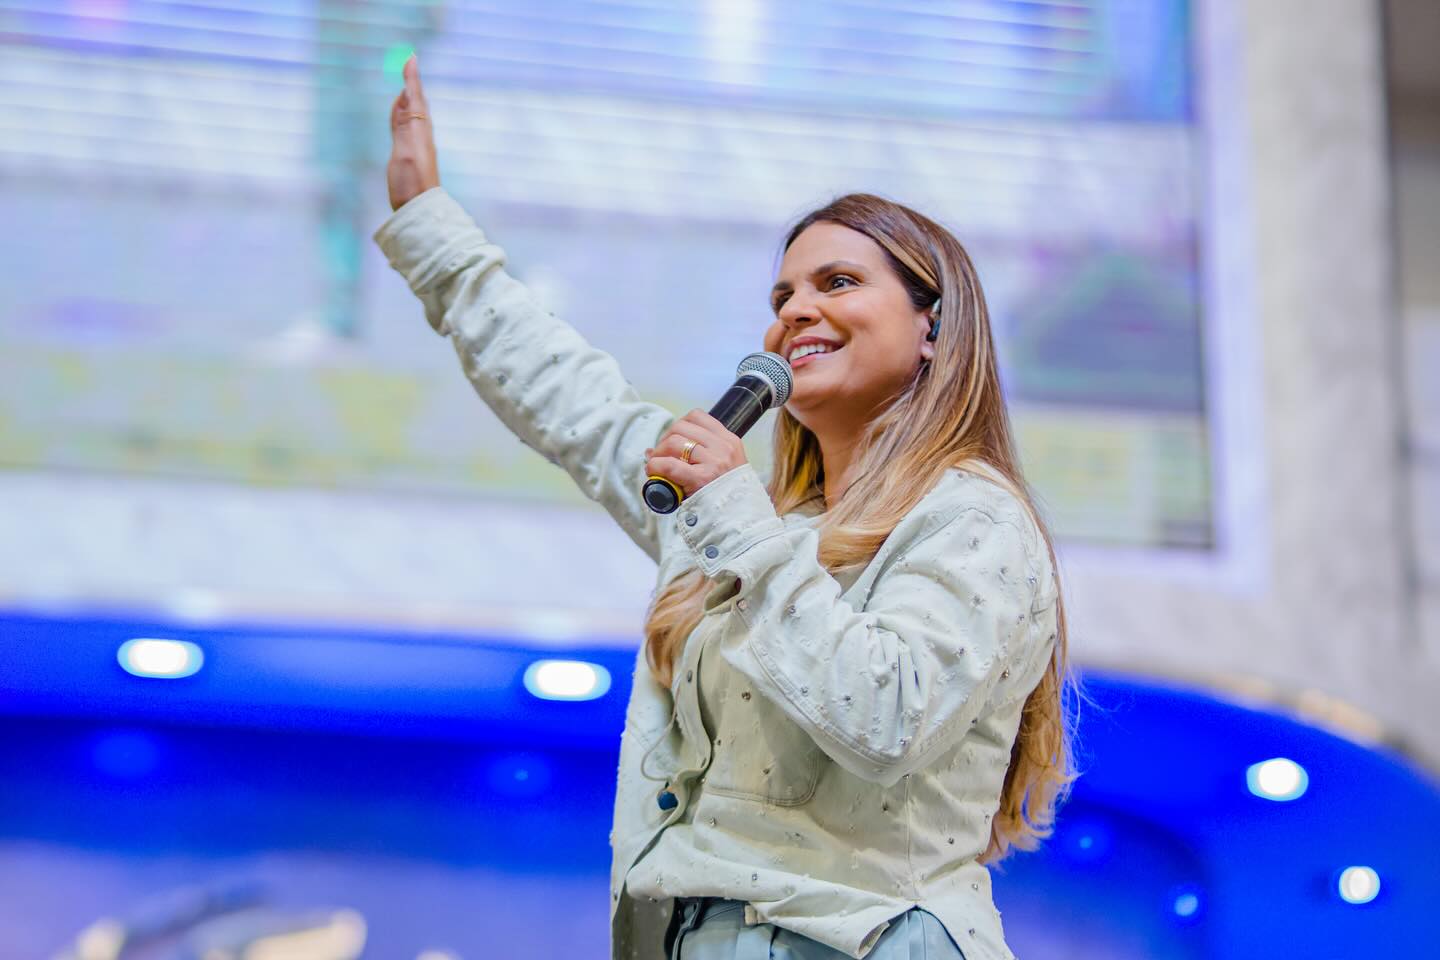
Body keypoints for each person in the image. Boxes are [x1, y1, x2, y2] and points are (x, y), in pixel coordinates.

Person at [377, 56, 1075, 960]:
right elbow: (571, 398)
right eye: (782, 297)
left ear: (933, 327)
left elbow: (887, 714)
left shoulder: (973, 518)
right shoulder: (757, 522)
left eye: (836, 283)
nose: (794, 312)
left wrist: (736, 516)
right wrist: (428, 224)